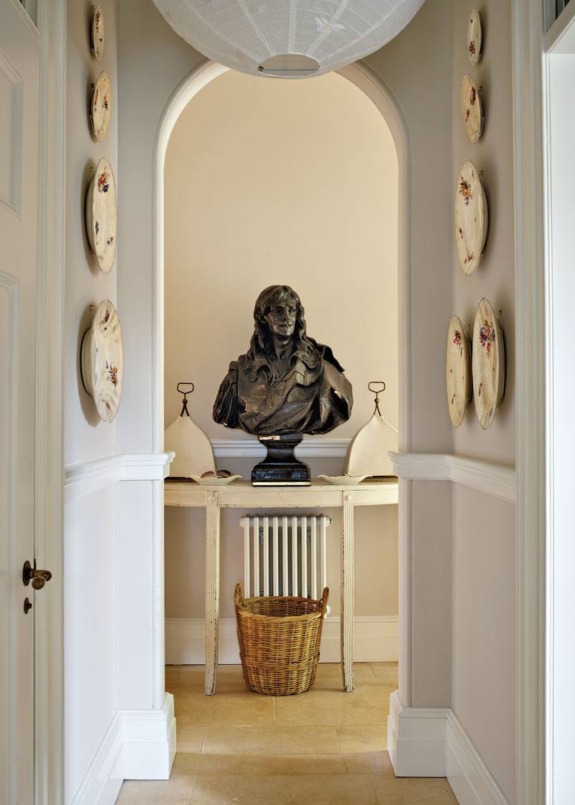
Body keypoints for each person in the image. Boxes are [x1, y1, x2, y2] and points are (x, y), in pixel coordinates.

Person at [213, 285, 353, 436]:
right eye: (278, 310)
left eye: (292, 310)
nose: (286, 317)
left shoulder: (323, 370)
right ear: (262, 316)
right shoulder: (239, 375)